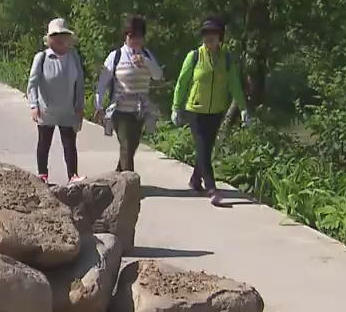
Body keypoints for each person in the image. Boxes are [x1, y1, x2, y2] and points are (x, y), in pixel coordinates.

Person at [172, 16, 251, 207]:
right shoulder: (194, 56)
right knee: (203, 148)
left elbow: (234, 85)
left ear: (220, 37)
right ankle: (211, 188)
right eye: (205, 35)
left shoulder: (227, 59)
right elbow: (182, 83)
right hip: (196, 110)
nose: (209, 39)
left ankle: (195, 180)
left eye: (213, 35)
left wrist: (243, 108)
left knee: (206, 148)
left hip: (216, 111)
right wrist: (176, 106)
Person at [95, 14, 163, 173]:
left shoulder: (147, 55)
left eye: (139, 36)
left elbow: (158, 75)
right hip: (120, 109)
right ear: (125, 36)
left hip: (140, 110)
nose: (135, 40)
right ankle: (129, 183)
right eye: (131, 36)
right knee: (126, 145)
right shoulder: (116, 56)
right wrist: (98, 104)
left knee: (132, 145)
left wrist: (145, 62)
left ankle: (119, 175)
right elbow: (103, 82)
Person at [27, 18, 85, 184]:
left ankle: (73, 175)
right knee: (44, 143)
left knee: (70, 144)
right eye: (56, 35)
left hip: (68, 110)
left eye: (63, 35)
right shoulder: (42, 57)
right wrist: (34, 105)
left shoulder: (73, 57)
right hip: (47, 110)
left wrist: (80, 107)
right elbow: (32, 83)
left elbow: (79, 83)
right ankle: (42, 175)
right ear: (49, 39)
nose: (60, 39)